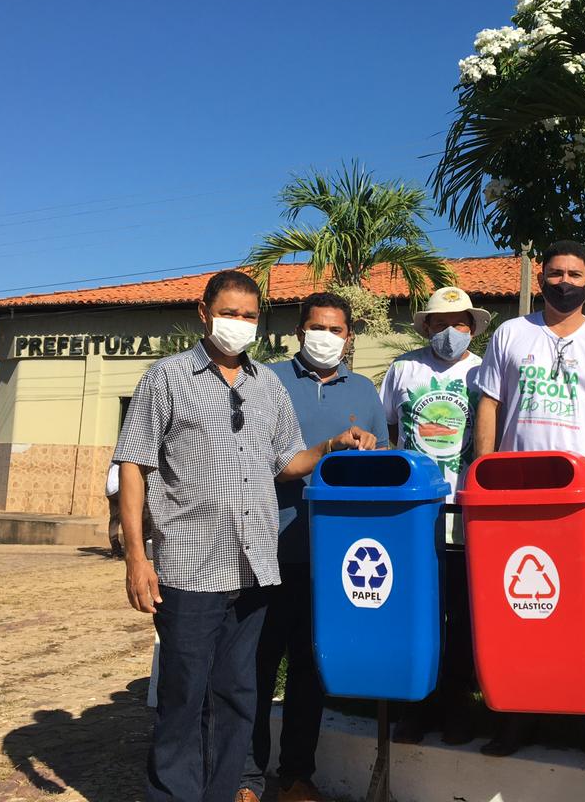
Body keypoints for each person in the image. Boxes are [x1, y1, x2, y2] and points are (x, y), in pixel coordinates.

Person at [114, 270, 377, 802]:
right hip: (190, 566)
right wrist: (136, 558)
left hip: (255, 564)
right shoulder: (165, 378)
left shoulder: (266, 385)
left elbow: (286, 461)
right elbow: (133, 464)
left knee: (237, 694)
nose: (239, 324)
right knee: (184, 695)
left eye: (249, 316)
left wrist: (329, 446)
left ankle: (224, 790)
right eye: (229, 313)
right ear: (204, 313)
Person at [471, 240, 585, 771]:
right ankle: (517, 714)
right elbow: (491, 407)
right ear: (540, 278)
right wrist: (484, 474)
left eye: (575, 274)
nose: (565, 281)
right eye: (556, 272)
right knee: (518, 608)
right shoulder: (511, 334)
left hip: (581, 498)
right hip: (516, 495)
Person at [239, 292, 389, 802]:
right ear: (299, 332)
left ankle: (296, 775)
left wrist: (367, 450)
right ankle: (247, 777)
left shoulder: (367, 391)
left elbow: (383, 471)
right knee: (255, 667)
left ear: (349, 338)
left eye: (336, 329)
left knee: (310, 669)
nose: (326, 337)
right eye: (316, 327)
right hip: (266, 547)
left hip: (333, 560)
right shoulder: (264, 380)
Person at [379, 285, 489, 747]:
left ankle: (458, 702)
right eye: (441, 323)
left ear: (472, 328)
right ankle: (416, 706)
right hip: (414, 515)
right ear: (426, 326)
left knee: (462, 612)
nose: (450, 332)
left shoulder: (484, 371)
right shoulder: (403, 369)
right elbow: (386, 429)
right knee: (417, 608)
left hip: (467, 512)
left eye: (460, 323)